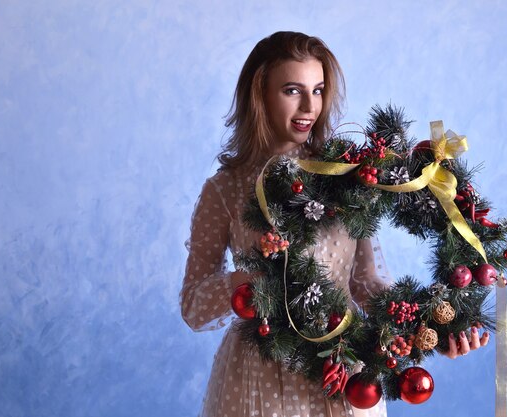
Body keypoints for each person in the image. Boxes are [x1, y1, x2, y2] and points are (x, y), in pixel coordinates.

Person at [180, 31, 488, 417]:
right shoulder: (226, 188)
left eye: (319, 89)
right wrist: (249, 285)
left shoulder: (345, 174)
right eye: (292, 90)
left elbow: (363, 283)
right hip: (258, 376)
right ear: (259, 95)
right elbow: (194, 305)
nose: (310, 105)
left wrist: (431, 327)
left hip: (341, 369)